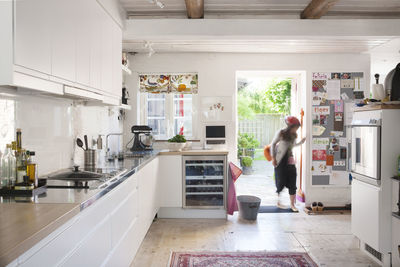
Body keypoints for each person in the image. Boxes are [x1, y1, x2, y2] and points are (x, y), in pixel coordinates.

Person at [270, 116, 306, 212]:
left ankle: (292, 205)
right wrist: (273, 158)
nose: (296, 129)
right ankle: (278, 201)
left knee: (292, 181)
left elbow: (292, 146)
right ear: (290, 126)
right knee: (280, 181)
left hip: (290, 160)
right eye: (295, 127)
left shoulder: (294, 135)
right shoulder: (281, 133)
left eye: (297, 128)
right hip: (280, 160)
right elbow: (273, 144)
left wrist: (301, 142)